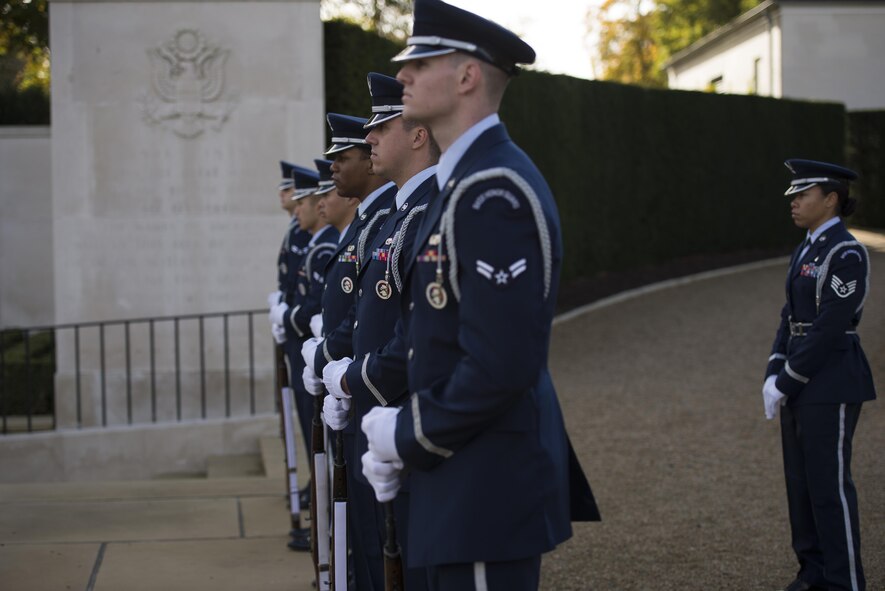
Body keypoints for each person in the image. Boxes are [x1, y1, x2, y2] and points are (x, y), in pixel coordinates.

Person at [358, 2, 600, 589]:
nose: (404, 76)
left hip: (488, 484)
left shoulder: (494, 192)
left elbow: (502, 364)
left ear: (467, 77)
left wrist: (406, 433)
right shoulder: (461, 184)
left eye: (421, 62)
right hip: (460, 472)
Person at [321, 72, 439, 591]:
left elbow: (419, 334)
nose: (368, 139)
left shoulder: (422, 214)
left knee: (408, 566)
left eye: (381, 127)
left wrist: (351, 378)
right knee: (375, 554)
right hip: (377, 414)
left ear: (417, 134)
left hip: (401, 417)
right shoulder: (398, 216)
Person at [763, 159, 876, 591]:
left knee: (830, 489)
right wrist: (773, 369)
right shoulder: (806, 247)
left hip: (831, 381)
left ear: (831, 200)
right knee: (802, 487)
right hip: (802, 376)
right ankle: (811, 572)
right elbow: (790, 314)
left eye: (802, 195)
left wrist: (787, 379)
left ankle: (843, 581)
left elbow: (831, 326)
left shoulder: (845, 252)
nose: (793, 202)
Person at [299, 113, 397, 590]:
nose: (333, 167)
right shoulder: (372, 221)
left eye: (344, 156)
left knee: (381, 536)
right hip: (359, 386)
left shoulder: (388, 220)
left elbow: (372, 314)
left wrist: (330, 364)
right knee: (363, 527)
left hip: (377, 395)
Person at [269, 165, 339, 552]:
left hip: (314, 350)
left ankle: (325, 518)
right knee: (307, 421)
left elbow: (316, 303)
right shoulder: (315, 239)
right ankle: (321, 508)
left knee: (322, 433)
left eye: (306, 201)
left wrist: (288, 316)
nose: (298, 209)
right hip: (303, 348)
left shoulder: (327, 244)